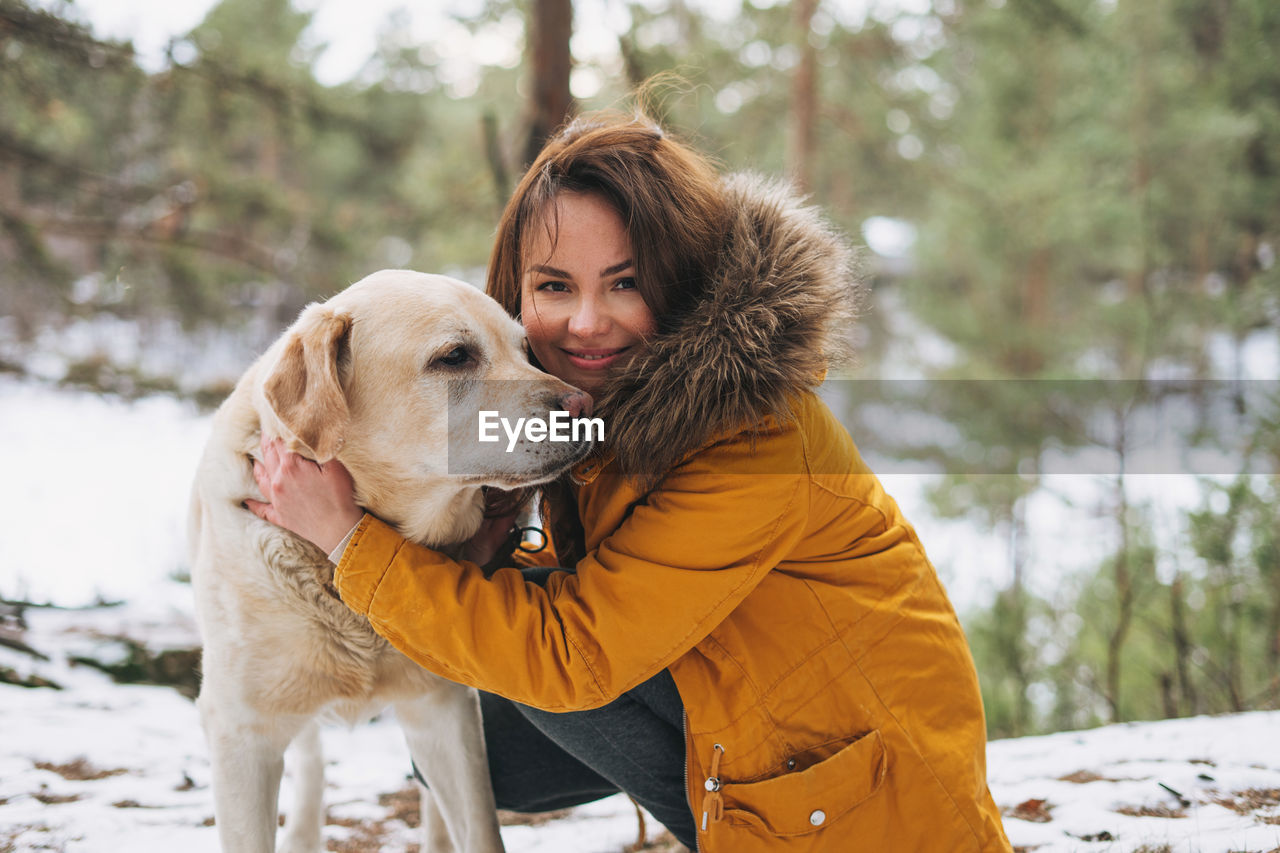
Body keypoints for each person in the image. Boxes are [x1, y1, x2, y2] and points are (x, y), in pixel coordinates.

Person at [247, 110, 1013, 852]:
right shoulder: (585, 409)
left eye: (624, 283)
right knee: (485, 723)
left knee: (535, 660)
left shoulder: (753, 435)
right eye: (553, 286)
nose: (585, 322)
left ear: (680, 278)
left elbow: (574, 652)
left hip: (875, 810)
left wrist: (347, 539)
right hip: (762, 739)